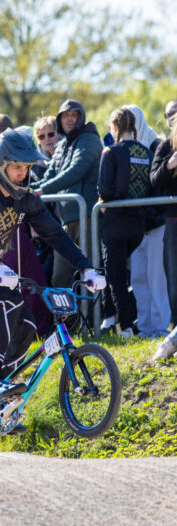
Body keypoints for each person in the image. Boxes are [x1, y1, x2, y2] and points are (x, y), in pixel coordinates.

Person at [0, 129, 104, 400]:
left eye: (27, 167)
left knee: (26, 324)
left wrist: (86, 267)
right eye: (17, 167)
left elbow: (56, 235)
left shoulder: (26, 198)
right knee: (9, 301)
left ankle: (0, 399)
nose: (23, 174)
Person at [33, 99, 102, 288]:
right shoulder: (62, 146)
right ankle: (66, 319)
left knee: (90, 278)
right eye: (66, 116)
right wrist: (25, 190)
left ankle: (94, 318)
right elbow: (49, 176)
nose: (70, 119)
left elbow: (76, 170)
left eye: (74, 115)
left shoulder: (90, 139)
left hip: (86, 217)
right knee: (59, 279)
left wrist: (43, 190)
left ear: (81, 118)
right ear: (60, 120)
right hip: (65, 222)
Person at [97, 107, 152, 338]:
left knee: (116, 275)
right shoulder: (147, 153)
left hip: (115, 222)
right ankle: (109, 320)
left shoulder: (110, 151)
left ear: (115, 127)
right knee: (115, 272)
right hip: (138, 224)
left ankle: (127, 327)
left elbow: (104, 189)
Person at [124, 105, 169, 338]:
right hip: (137, 222)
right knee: (138, 277)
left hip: (156, 221)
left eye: (131, 123)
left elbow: (156, 183)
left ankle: (160, 327)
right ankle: (145, 327)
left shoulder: (155, 145)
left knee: (156, 278)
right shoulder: (124, 149)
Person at [150, 106, 177, 359]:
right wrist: (171, 162)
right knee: (174, 281)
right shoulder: (165, 146)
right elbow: (155, 180)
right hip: (173, 219)